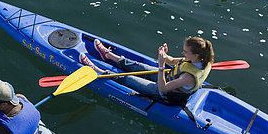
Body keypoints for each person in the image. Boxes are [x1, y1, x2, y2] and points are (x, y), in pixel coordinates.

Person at [79, 36, 214, 104]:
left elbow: (162, 88)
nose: (183, 53)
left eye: (185, 51)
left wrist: (161, 65)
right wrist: (164, 55)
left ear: (195, 55)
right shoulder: (201, 59)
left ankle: (97, 70)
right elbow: (172, 61)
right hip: (169, 78)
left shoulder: (188, 77)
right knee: (139, 66)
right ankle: (108, 55)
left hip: (164, 93)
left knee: (128, 78)